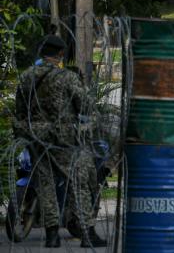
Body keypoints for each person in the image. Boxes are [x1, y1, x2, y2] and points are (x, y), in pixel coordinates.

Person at [13, 35, 106, 248]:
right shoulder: (66, 78)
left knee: (45, 183)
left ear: (41, 52)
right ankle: (87, 232)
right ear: (61, 55)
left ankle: (52, 235)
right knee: (79, 179)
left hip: (34, 136)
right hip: (61, 138)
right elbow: (85, 107)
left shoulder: (26, 77)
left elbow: (19, 111)